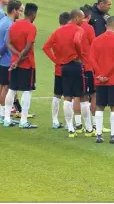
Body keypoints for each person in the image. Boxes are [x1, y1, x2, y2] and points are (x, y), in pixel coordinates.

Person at [43, 9, 95, 137]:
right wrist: (79, 55)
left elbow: (46, 47)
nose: (83, 21)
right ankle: (89, 129)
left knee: (67, 97)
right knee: (83, 97)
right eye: (82, 18)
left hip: (64, 67)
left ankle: (71, 129)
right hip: (76, 66)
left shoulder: (58, 31)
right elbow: (77, 42)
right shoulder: (79, 30)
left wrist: (57, 61)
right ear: (76, 18)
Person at [89, 16, 114, 143]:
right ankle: (113, 136)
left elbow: (91, 58)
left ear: (105, 26)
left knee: (100, 106)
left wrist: (100, 74)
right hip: (113, 79)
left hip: (99, 79)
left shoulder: (96, 40)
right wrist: (107, 74)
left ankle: (99, 135)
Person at [4, 3, 38, 129]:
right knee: (27, 91)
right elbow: (28, 47)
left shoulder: (14, 24)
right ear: (34, 14)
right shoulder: (31, 27)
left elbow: (8, 43)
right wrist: (19, 59)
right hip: (27, 64)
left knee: (12, 89)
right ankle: (23, 120)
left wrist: (16, 58)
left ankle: (7, 119)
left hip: (13, 63)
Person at [80, 4, 109, 133]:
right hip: (88, 67)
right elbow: (95, 45)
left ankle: (80, 125)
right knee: (93, 95)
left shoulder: (72, 27)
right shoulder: (89, 28)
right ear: (89, 15)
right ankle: (95, 126)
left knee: (79, 96)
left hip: (74, 66)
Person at [0, 0, 22, 126]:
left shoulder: (2, 21)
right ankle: (4, 116)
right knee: (6, 88)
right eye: (20, 10)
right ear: (14, 10)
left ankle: (0, 115)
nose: (20, 13)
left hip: (0, 61)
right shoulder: (10, 24)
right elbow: (7, 43)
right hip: (7, 60)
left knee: (1, 86)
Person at [42, 12, 70, 129]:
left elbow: (46, 47)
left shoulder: (56, 33)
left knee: (57, 95)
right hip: (70, 68)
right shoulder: (69, 32)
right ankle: (71, 123)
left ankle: (55, 121)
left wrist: (56, 60)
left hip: (59, 68)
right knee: (70, 96)